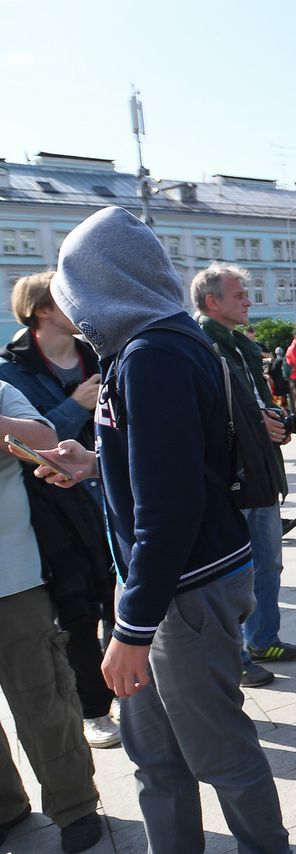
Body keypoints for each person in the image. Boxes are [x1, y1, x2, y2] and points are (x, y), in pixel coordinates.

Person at [43, 206, 296, 854]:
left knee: (215, 747)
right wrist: (95, 464)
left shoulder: (152, 354)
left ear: (101, 286)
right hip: (172, 585)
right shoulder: (156, 346)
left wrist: (132, 627)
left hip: (177, 593)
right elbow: (162, 468)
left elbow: (171, 505)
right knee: (155, 755)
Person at [2, 271, 119, 747]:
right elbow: (23, 441)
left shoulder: (98, 353)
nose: (79, 300)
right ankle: (94, 709)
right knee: (75, 609)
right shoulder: (12, 370)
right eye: (64, 296)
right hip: (54, 510)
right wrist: (75, 405)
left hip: (108, 495)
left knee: (120, 596)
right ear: (43, 309)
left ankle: (135, 689)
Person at [0, 381, 104, 854]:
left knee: (42, 697)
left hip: (12, 581)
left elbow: (44, 438)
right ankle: (6, 806)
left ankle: (75, 805)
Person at [192, 264, 296, 685]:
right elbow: (205, 414)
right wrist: (255, 421)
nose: (249, 301)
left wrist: (274, 419)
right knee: (236, 571)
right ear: (212, 301)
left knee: (268, 564)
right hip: (233, 477)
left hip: (260, 471)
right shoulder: (202, 344)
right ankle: (236, 652)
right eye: (240, 294)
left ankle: (263, 639)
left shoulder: (238, 343)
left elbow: (258, 402)